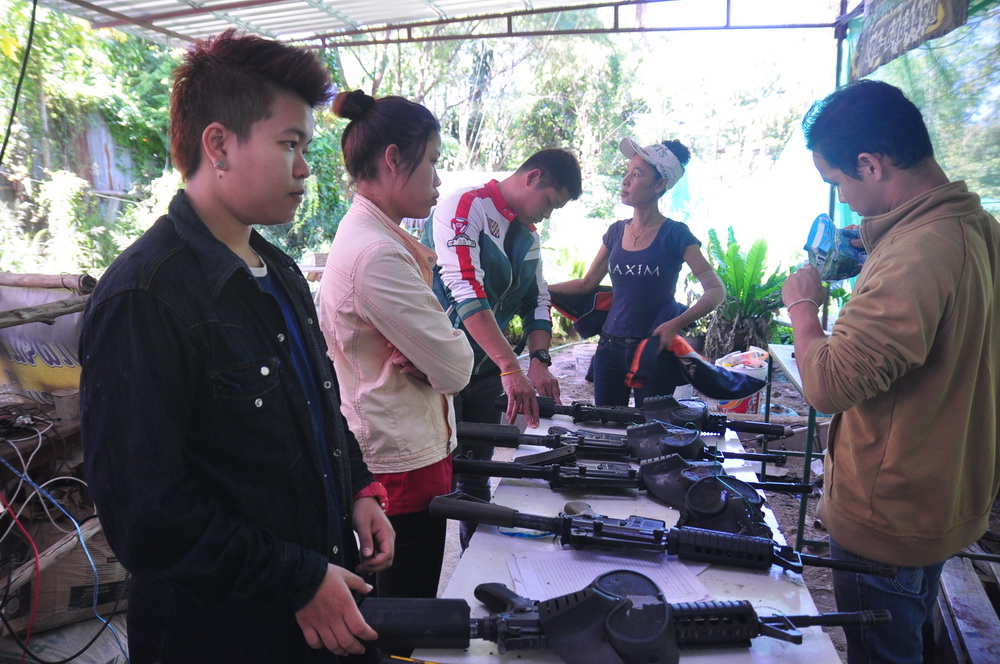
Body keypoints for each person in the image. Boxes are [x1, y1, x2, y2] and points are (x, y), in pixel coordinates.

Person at [79, 31, 394, 664]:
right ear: (219, 144)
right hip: (221, 635)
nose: (304, 168)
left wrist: (358, 488)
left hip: (317, 617)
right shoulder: (145, 297)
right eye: (289, 144)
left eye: (305, 147)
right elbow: (147, 518)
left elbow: (316, 407)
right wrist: (295, 578)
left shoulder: (277, 271)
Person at [783, 79, 1000, 664]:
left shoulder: (915, 252)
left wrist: (802, 308)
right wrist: (873, 247)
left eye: (838, 181)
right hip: (940, 494)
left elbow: (828, 385)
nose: (843, 198)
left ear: (871, 164)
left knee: (882, 652)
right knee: (909, 636)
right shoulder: (979, 227)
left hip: (887, 517)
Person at [318, 90, 473, 604]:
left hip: (398, 450)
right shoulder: (377, 253)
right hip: (400, 466)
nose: (438, 179)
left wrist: (438, 357)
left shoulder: (368, 236)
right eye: (432, 161)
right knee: (405, 613)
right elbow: (457, 367)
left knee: (392, 606)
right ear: (393, 159)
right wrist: (443, 358)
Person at [422, 148, 582, 544]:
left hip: (485, 374)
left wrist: (539, 359)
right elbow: (465, 290)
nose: (548, 214)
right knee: (436, 482)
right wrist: (512, 367)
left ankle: (475, 566)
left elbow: (537, 301)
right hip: (437, 371)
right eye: (549, 202)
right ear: (533, 177)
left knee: (478, 474)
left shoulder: (529, 236)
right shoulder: (466, 205)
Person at [549, 138, 724, 408]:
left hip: (653, 351)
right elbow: (587, 283)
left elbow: (716, 290)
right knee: (606, 423)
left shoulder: (676, 234)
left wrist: (675, 324)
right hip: (609, 348)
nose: (625, 180)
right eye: (627, 172)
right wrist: (541, 288)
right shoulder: (616, 231)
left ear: (659, 185)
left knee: (651, 426)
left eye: (637, 174)